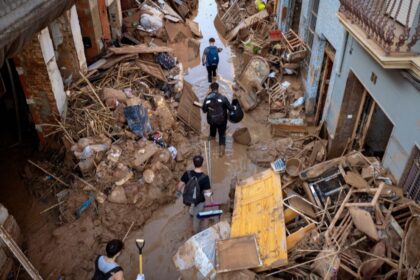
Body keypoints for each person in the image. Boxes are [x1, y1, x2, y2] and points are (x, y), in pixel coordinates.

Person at [177, 155, 212, 234]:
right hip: (199, 201)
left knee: (191, 207)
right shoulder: (205, 178)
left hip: (188, 199)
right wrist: (208, 208)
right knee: (196, 220)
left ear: (193, 163)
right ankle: (196, 232)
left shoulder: (187, 173)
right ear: (202, 164)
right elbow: (208, 194)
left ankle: (191, 211)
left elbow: (179, 187)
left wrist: (179, 193)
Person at [202, 82, 233, 157]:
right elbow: (230, 108)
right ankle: (221, 152)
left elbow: (204, 110)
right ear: (218, 89)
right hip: (222, 121)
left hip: (211, 120)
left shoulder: (207, 98)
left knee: (212, 128)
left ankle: (212, 138)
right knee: (222, 134)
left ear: (210, 89)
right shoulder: (223, 98)